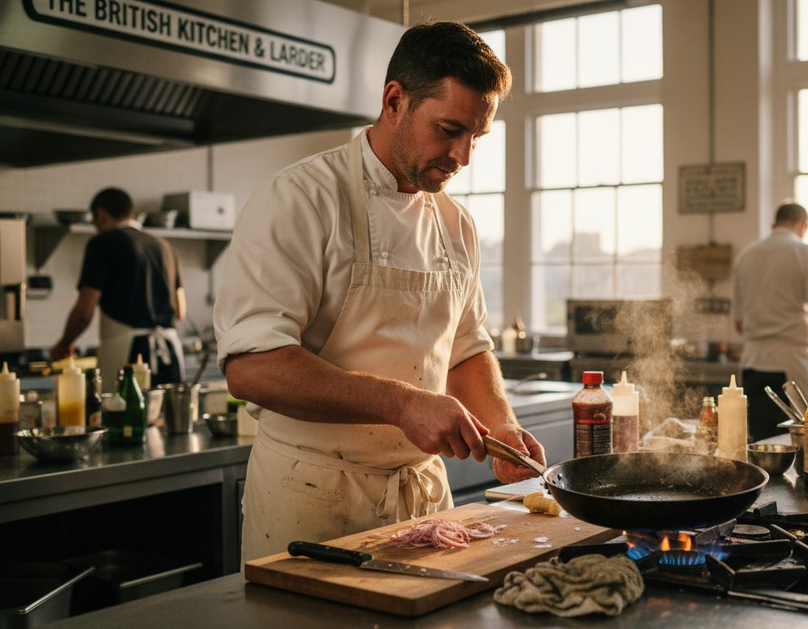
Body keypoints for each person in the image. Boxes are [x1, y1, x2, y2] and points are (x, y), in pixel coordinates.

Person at [213, 21, 545, 561]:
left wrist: (503, 427)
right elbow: (251, 367)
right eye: (448, 130)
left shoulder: (456, 223)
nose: (463, 156)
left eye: (475, 138)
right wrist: (401, 403)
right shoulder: (300, 199)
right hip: (313, 497)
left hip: (423, 502)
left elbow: (465, 348)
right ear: (395, 100)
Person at [50, 187, 186, 392]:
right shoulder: (164, 246)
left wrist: (65, 342)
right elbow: (180, 311)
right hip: (170, 354)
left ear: (102, 215)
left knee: (121, 417)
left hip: (127, 353)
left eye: (95, 223)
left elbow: (84, 312)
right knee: (166, 419)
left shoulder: (102, 243)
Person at [732, 202, 808, 440]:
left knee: (760, 443)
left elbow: (739, 324)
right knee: (802, 441)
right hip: (790, 364)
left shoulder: (746, 255)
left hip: (752, 364)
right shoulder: (807, 253)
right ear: (803, 225)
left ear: (775, 224)